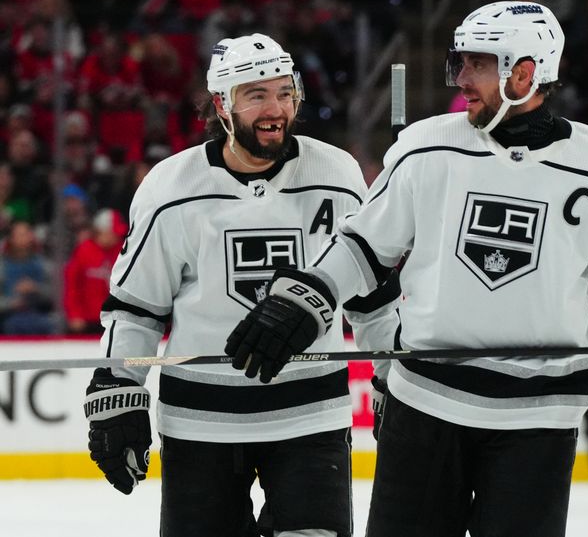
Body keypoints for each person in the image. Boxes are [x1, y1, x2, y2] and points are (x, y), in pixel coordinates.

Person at [223, 2, 588, 537]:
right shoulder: (425, 147)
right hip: (424, 406)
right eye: (460, 62)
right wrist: (309, 295)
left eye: (477, 64)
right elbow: (364, 246)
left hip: (538, 422)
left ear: (525, 72)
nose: (461, 78)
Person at [82, 33, 400, 537]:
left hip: (310, 417)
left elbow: (371, 298)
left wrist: (391, 376)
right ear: (222, 106)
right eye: (256, 94)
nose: (276, 108)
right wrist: (119, 386)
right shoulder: (171, 187)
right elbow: (136, 309)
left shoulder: (336, 173)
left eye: (284, 92)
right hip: (199, 425)